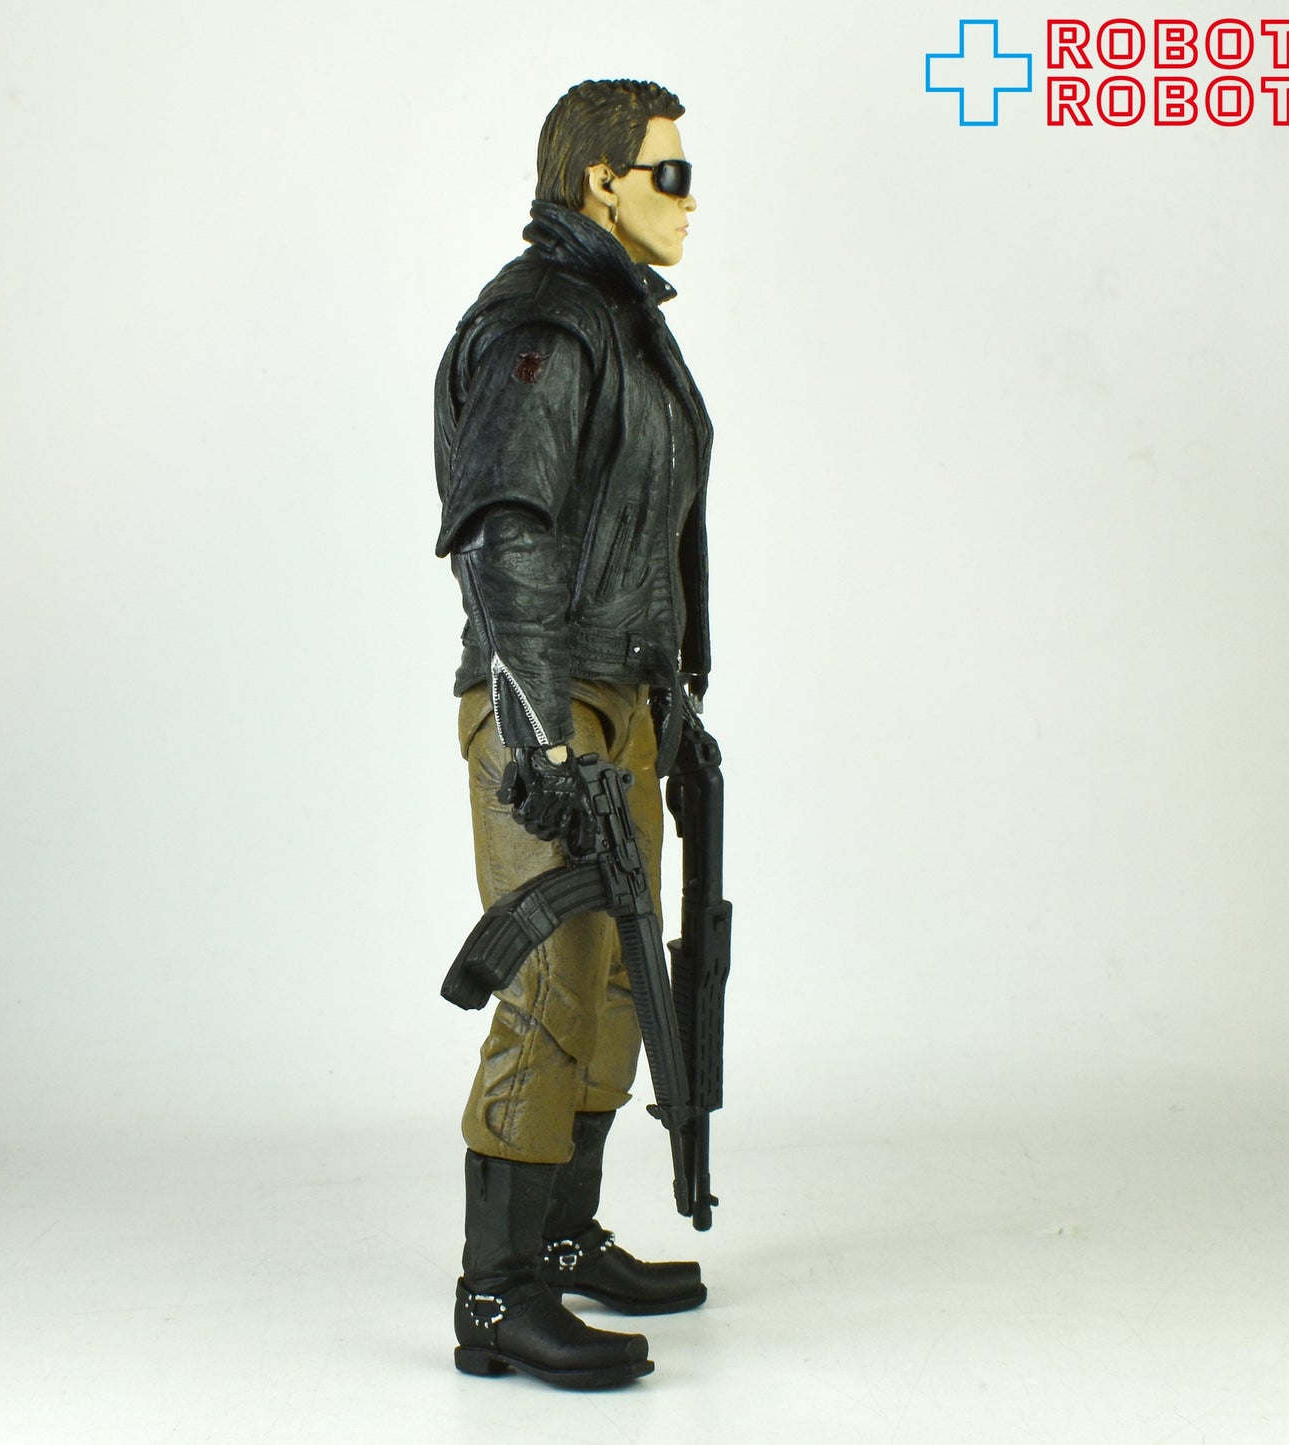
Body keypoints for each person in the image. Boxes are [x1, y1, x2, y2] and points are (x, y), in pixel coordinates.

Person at [433, 78, 715, 1389]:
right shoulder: (544, 323)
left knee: (613, 980)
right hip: (546, 696)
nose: (690, 200)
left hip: (625, 691)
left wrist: (678, 694)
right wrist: (540, 731)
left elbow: (650, 535)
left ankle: (559, 1238)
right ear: (600, 181)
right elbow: (505, 526)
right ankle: (495, 1294)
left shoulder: (624, 325)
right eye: (669, 172)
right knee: (552, 979)